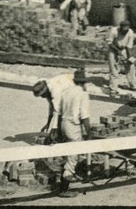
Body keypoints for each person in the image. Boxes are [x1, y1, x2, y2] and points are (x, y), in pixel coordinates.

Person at [56, 69, 92, 198]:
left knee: (67, 155)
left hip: (63, 124)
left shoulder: (65, 92)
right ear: (83, 83)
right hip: (73, 127)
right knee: (72, 159)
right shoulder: (83, 94)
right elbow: (85, 117)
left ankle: (62, 181)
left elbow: (59, 114)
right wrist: (89, 133)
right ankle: (63, 189)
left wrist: (59, 131)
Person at [32, 72, 75, 137]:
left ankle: (66, 133)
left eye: (42, 95)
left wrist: (54, 128)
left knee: (64, 114)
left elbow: (56, 110)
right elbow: (51, 106)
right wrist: (48, 124)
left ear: (45, 91)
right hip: (66, 84)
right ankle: (60, 133)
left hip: (74, 85)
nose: (42, 97)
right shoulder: (47, 90)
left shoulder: (55, 90)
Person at [106, 20, 136, 93]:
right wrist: (117, 50)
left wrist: (129, 58)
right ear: (120, 28)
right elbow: (110, 43)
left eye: (126, 30)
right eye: (123, 30)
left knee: (130, 66)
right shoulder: (114, 31)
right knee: (114, 68)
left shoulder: (130, 32)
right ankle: (113, 88)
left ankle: (133, 85)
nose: (125, 32)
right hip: (113, 49)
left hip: (123, 49)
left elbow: (129, 46)